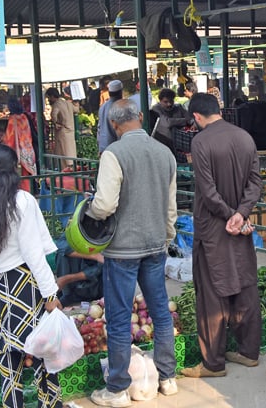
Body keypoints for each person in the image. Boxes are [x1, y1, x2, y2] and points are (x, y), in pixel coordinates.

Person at [87, 99, 178, 406]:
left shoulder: (113, 154)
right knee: (161, 311)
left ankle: (117, 389)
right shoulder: (165, 153)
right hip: (155, 244)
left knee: (118, 317)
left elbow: (104, 205)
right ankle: (167, 378)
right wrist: (166, 237)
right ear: (140, 116)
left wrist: (91, 212)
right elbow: (170, 207)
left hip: (122, 249)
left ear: (113, 125)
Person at [0, 144, 62, 408]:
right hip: (26, 286)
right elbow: (34, 254)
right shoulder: (22, 201)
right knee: (42, 355)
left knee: (7, 361)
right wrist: (50, 294)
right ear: (14, 169)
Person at [181, 93, 263, 378]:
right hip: (240, 225)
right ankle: (249, 352)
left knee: (212, 292)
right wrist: (242, 213)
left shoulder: (200, 142)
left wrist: (230, 215)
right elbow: (255, 183)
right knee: (244, 284)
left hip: (213, 227)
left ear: (196, 116)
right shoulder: (244, 137)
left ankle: (213, 363)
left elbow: (207, 191)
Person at [54, 234, 103, 306]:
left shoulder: (105, 234)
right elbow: (60, 245)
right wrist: (93, 256)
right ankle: (66, 294)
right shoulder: (77, 229)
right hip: (78, 272)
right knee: (62, 254)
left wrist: (68, 278)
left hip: (95, 284)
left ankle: (75, 295)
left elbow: (101, 265)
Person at [150, 88, 193, 153]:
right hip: (162, 144)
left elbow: (190, 119)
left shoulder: (178, 107)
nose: (169, 104)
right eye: (165, 102)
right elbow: (167, 123)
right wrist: (185, 121)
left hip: (179, 144)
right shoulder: (156, 109)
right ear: (160, 101)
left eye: (171, 101)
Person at [45, 88, 77, 170]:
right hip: (71, 132)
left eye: (48, 97)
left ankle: (66, 171)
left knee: (63, 154)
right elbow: (76, 110)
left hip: (62, 132)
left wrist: (55, 122)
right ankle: (72, 168)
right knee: (71, 153)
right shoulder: (67, 103)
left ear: (52, 96)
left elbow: (54, 115)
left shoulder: (56, 105)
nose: (48, 100)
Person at [96, 79, 123, 154]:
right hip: (116, 149)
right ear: (120, 92)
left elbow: (99, 128)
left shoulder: (103, 107)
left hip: (104, 147)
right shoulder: (121, 107)